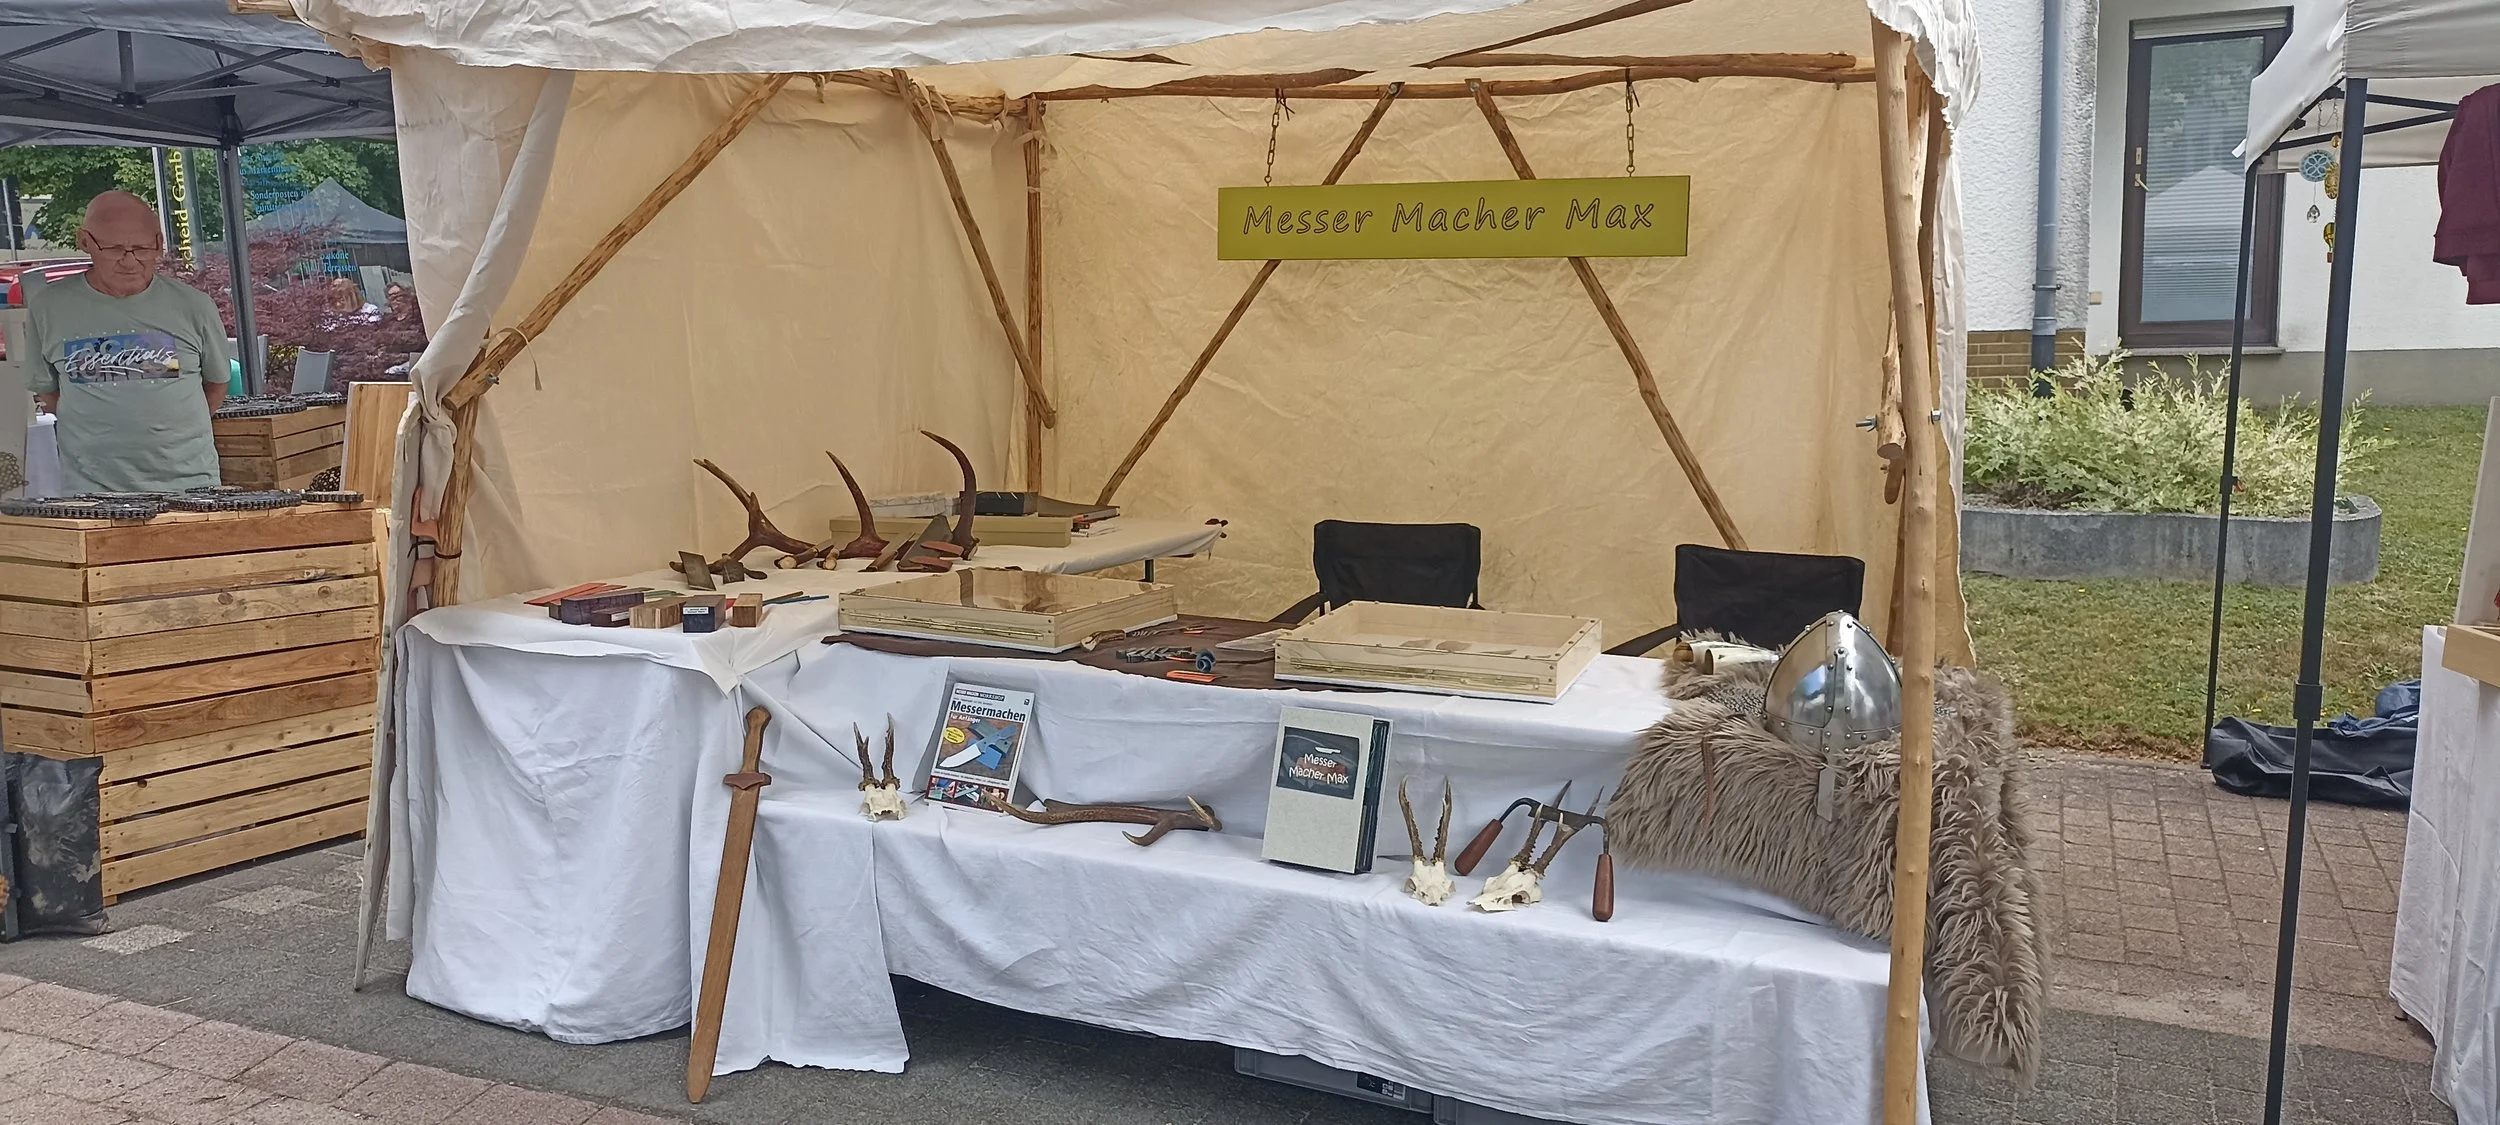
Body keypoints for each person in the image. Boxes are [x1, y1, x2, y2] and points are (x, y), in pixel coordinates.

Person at [26, 191, 231, 493]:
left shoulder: (194, 306)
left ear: (159, 244)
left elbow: (216, 386)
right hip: (91, 491)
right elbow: (47, 392)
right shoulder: (48, 308)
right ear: (85, 242)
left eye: (142, 248)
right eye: (114, 249)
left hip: (188, 486)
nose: (130, 261)